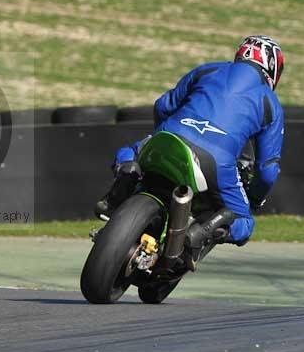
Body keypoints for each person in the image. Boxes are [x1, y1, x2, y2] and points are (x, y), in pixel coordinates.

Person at [96, 35, 285, 257]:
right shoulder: (271, 104)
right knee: (244, 223)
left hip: (171, 135)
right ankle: (203, 231)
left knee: (130, 152)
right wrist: (254, 198)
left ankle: (119, 189)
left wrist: (162, 135)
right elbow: (268, 170)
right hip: (217, 161)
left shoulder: (208, 69)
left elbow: (163, 105)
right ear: (272, 68)